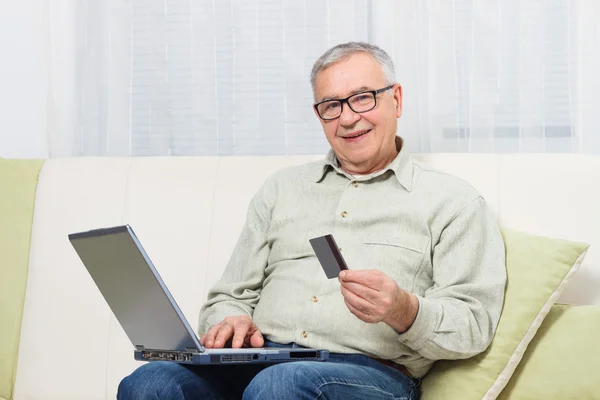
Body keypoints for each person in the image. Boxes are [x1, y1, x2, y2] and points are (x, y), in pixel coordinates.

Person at [117, 41, 506, 400]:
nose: (348, 118)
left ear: (397, 100)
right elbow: (227, 296)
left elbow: (473, 325)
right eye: (331, 106)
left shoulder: (453, 201)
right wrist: (230, 319)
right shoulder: (281, 189)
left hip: (368, 374)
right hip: (259, 362)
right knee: (150, 382)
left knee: (279, 385)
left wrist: (405, 309)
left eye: (362, 98)